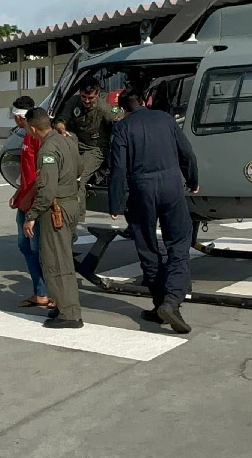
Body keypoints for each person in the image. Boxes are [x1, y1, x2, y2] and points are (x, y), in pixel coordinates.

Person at [107, 88, 199, 334]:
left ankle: (162, 304)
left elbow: (117, 168)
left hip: (142, 189)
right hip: (171, 185)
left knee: (148, 246)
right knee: (179, 243)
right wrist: (192, 179)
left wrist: (115, 203)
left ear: (124, 108)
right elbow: (187, 153)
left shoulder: (123, 128)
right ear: (144, 102)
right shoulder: (166, 119)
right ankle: (171, 302)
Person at [21, 107, 84, 328]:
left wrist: (32, 215)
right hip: (71, 205)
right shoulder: (69, 140)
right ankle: (64, 306)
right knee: (63, 258)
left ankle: (70, 314)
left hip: (56, 209)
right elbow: (80, 169)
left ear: (32, 127)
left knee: (56, 262)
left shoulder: (47, 149)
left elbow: (47, 190)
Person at [54, 76, 121, 221]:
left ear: (97, 94)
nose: (86, 101)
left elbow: (119, 123)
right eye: (84, 97)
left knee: (78, 178)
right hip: (77, 145)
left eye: (90, 97)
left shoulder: (104, 109)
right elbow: (62, 119)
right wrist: (61, 128)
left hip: (95, 149)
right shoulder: (74, 102)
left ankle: (76, 219)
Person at [9, 96, 51, 309]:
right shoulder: (26, 136)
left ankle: (46, 292)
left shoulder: (35, 137)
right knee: (24, 246)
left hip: (35, 202)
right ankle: (40, 292)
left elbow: (41, 173)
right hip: (25, 198)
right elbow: (28, 172)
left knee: (37, 248)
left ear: (18, 117)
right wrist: (19, 192)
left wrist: (27, 197)